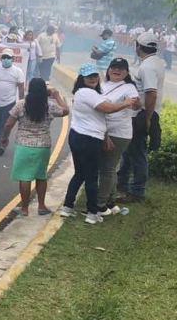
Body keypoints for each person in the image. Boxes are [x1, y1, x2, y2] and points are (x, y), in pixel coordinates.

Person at [59, 64, 142, 224]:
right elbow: (107, 109)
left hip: (78, 136)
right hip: (88, 139)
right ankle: (92, 213)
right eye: (89, 76)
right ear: (82, 78)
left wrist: (105, 135)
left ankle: (67, 207)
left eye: (95, 76)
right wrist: (126, 103)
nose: (93, 79)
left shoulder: (83, 93)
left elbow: (97, 117)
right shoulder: (88, 93)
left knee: (80, 174)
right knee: (91, 176)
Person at [1, 78, 69, 216]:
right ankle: (41, 206)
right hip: (43, 146)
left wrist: (5, 138)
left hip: (24, 145)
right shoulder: (49, 106)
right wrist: (56, 95)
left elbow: (8, 124)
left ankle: (25, 208)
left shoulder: (21, 105)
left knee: (25, 177)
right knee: (41, 176)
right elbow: (66, 111)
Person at [117, 32, 166, 204]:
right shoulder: (156, 62)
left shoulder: (147, 67)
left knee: (137, 153)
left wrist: (148, 118)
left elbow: (151, 93)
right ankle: (121, 182)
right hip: (142, 113)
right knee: (129, 151)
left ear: (139, 46)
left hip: (141, 114)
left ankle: (137, 191)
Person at [96, 58, 139, 216]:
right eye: (114, 67)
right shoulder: (103, 85)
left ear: (126, 72)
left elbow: (136, 103)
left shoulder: (129, 88)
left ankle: (100, 205)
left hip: (118, 133)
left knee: (107, 169)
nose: (116, 70)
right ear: (108, 70)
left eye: (121, 68)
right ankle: (111, 202)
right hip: (103, 131)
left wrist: (133, 103)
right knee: (109, 168)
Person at [0, 48, 25, 156]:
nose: (6, 59)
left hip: (9, 103)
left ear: (13, 59)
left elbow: (21, 88)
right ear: (1, 58)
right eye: (4, 57)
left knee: (5, 124)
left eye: (8, 57)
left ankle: (1, 143)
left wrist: (21, 102)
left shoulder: (18, 72)